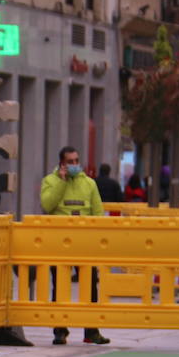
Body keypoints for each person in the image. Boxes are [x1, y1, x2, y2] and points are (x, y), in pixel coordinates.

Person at [39, 145, 109, 345]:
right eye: (70, 162)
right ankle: (60, 331)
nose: (74, 165)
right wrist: (61, 182)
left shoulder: (89, 184)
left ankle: (92, 331)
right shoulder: (50, 181)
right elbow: (47, 205)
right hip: (59, 243)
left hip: (85, 243)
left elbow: (98, 212)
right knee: (60, 287)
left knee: (91, 288)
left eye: (76, 161)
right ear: (61, 163)